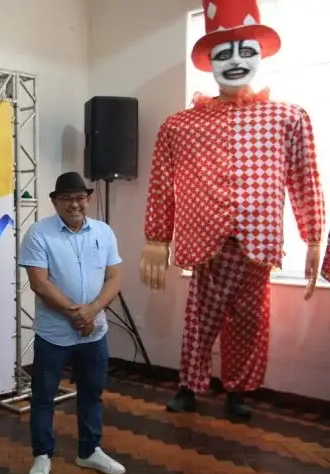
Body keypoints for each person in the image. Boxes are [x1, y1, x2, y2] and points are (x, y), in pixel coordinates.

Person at [139, 0, 325, 420]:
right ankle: (189, 385)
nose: (236, 61)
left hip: (258, 242)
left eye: (246, 51)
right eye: (224, 53)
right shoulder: (179, 124)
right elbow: (161, 185)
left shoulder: (288, 117)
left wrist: (313, 237)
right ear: (209, 62)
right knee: (200, 316)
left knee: (250, 319)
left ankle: (238, 390)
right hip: (204, 241)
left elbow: (304, 179)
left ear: (260, 56)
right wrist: (156, 238)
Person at [19, 171, 126, 474]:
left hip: (95, 332)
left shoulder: (104, 232)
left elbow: (114, 277)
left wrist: (92, 311)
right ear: (55, 202)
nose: (74, 204)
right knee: (43, 397)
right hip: (53, 334)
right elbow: (39, 283)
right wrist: (75, 314)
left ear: (88, 199)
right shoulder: (39, 233)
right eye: (67, 198)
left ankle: (89, 450)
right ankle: (42, 456)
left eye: (80, 198)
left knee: (92, 394)